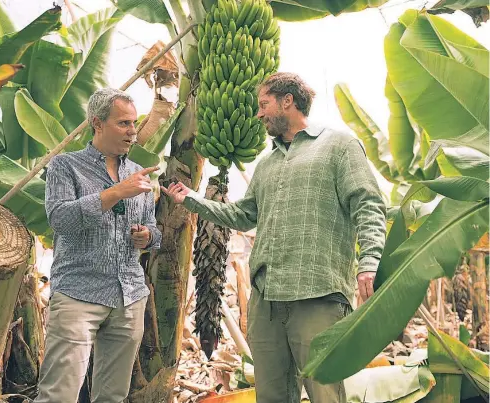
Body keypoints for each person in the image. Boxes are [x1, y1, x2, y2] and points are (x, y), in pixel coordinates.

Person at [162, 72, 387, 403]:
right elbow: (242, 215)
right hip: (266, 301)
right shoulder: (266, 164)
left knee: (326, 394)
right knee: (271, 396)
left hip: (317, 295)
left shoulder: (338, 146)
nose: (258, 113)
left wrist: (369, 260)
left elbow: (368, 204)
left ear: (288, 101)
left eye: (264, 104)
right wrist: (192, 199)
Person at [36, 88, 161, 403]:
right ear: (97, 123)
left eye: (134, 123)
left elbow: (153, 229)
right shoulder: (65, 166)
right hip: (79, 293)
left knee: (112, 397)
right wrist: (116, 192)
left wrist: (146, 236)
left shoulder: (138, 175)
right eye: (123, 123)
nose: (133, 131)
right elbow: (61, 220)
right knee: (59, 395)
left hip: (129, 297)